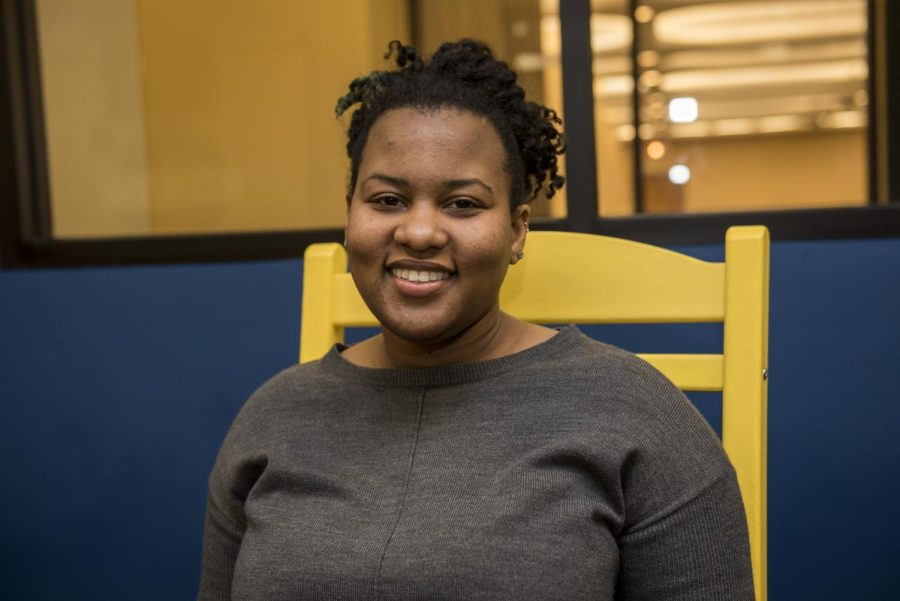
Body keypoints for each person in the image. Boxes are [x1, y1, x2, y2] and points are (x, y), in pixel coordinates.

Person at [197, 40, 754, 600]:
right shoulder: (272, 417)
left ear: (516, 230)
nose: (418, 233)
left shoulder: (637, 415)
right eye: (387, 199)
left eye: (462, 204)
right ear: (349, 216)